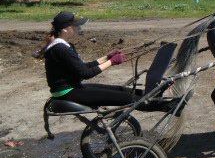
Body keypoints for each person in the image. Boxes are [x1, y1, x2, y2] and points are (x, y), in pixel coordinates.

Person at [41, 11, 179, 111]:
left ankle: (156, 95)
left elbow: (81, 67)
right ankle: (167, 106)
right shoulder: (60, 48)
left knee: (122, 90)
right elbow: (85, 73)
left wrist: (106, 57)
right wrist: (112, 62)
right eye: (76, 25)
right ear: (65, 29)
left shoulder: (64, 45)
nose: (79, 28)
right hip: (67, 92)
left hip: (72, 87)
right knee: (127, 99)